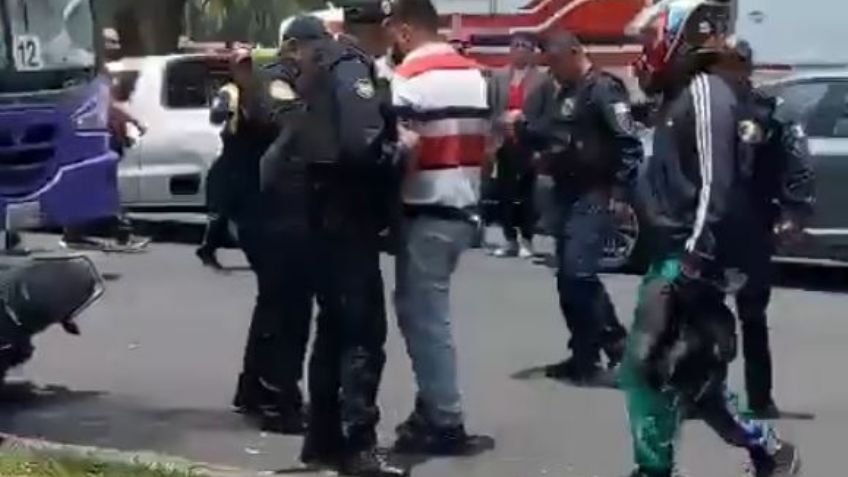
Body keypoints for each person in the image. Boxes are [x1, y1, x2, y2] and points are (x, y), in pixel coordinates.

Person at [619, 1, 801, 476]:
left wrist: (695, 259)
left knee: (645, 366)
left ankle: (653, 469)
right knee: (692, 376)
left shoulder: (705, 93)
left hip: (688, 254)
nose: (644, 53)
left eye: (648, 40)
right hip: (676, 250)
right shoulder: (682, 95)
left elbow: (716, 183)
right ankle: (767, 449)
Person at [269, 15, 407, 476]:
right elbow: (360, 143)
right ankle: (359, 445)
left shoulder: (310, 72)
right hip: (348, 216)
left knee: (331, 332)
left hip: (314, 215)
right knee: (362, 334)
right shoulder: (349, 66)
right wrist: (399, 150)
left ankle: (323, 440)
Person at [385, 0, 494, 457]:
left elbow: (401, 147)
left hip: (425, 209)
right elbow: (486, 149)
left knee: (425, 318)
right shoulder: (475, 75)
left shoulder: (408, 78)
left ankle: (445, 418)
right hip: (463, 205)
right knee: (426, 312)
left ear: (405, 30)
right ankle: (431, 406)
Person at [518, 32, 642, 383]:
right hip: (566, 190)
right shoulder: (567, 91)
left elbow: (628, 142)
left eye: (556, 62)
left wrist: (621, 192)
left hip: (595, 191)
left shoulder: (604, 89)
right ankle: (583, 355)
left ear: (574, 53)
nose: (552, 71)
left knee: (578, 273)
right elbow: (560, 134)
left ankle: (619, 347)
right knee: (567, 279)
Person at [719, 39, 815, 418]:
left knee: (752, 314)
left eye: (735, 64)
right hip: (712, 223)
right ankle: (704, 393)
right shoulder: (707, 110)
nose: (729, 72)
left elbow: (797, 163)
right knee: (704, 313)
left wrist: (795, 210)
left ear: (746, 67)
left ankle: (760, 398)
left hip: (753, 224)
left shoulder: (769, 112)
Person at [219, 49, 310, 435]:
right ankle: (277, 399)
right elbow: (287, 137)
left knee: (274, 302)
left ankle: (255, 388)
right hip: (273, 213)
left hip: (257, 212)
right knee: (288, 308)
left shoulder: (260, 90)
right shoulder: (274, 90)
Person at [488, 32, 546, 258]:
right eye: (516, 46)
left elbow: (544, 113)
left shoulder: (542, 80)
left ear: (532, 52)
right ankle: (509, 238)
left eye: (525, 46)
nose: (520, 50)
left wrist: (524, 119)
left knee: (527, 194)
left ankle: (527, 239)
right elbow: (490, 109)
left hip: (528, 141)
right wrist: (493, 136)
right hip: (504, 142)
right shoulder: (498, 76)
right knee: (505, 192)